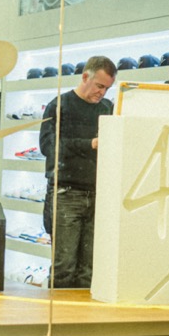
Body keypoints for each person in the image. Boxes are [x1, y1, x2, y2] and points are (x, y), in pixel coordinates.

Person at [39, 55, 116, 288]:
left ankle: (80, 311)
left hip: (98, 194)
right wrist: (89, 144)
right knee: (64, 267)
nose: (102, 92)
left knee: (89, 269)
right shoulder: (59, 106)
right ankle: (60, 310)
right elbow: (48, 146)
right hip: (66, 192)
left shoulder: (107, 108)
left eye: (107, 88)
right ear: (85, 77)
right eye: (99, 86)